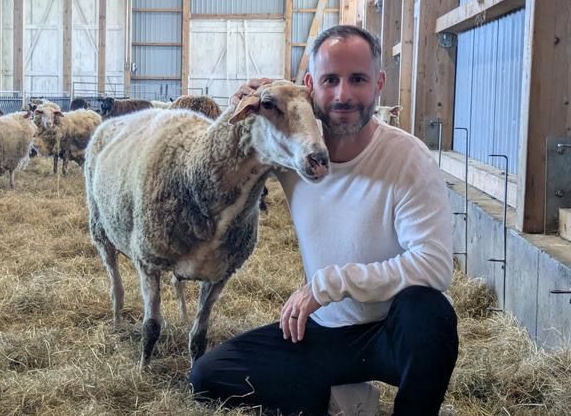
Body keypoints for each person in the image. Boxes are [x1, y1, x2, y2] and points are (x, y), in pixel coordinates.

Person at [188, 25, 459, 415]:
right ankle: (336, 396)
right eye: (330, 80)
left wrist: (330, 284)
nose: (343, 95)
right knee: (209, 376)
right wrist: (248, 103)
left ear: (379, 84)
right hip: (323, 330)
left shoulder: (408, 159)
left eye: (358, 79)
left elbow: (434, 266)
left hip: (389, 331)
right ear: (310, 85)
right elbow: (225, 163)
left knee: (430, 313)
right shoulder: (295, 154)